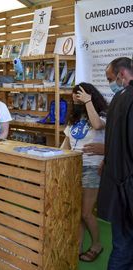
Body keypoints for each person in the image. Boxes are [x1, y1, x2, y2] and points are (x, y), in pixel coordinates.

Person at [61, 83, 107, 262]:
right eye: (74, 98)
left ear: (88, 95)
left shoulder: (102, 114)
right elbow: (66, 143)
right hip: (73, 167)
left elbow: (96, 125)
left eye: (79, 96)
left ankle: (97, 244)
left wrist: (88, 102)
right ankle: (78, 244)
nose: (76, 100)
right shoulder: (74, 117)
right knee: (78, 211)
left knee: (86, 212)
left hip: (91, 167)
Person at [98, 57, 133, 269]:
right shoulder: (125, 99)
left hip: (120, 183)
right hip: (127, 184)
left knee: (122, 244)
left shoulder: (119, 100)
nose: (111, 82)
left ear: (121, 74)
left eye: (110, 78)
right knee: (124, 248)